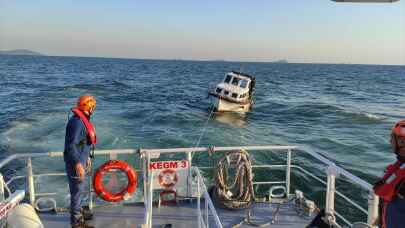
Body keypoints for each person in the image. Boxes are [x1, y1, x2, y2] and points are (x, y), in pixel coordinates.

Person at [64, 95, 97, 228]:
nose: (93, 109)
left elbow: (83, 142)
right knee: (76, 192)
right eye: (92, 106)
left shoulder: (82, 120)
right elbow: (71, 145)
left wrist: (87, 156)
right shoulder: (77, 122)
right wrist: (78, 164)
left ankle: (80, 212)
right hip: (75, 163)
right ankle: (76, 222)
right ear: (87, 106)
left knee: (80, 189)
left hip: (82, 160)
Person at [374, 120, 405, 228]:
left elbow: (381, 190)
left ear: (401, 142)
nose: (390, 141)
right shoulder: (400, 165)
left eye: (392, 138)